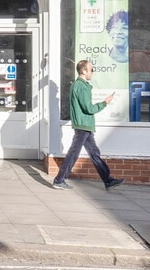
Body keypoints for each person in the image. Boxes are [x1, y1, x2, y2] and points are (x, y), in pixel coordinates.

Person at [47, 58, 123, 190]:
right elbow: (89, 109)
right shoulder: (81, 87)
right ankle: (59, 180)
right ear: (83, 71)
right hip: (83, 125)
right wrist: (105, 102)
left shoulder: (81, 86)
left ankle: (107, 180)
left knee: (94, 153)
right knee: (73, 153)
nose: (92, 72)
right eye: (91, 69)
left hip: (85, 125)